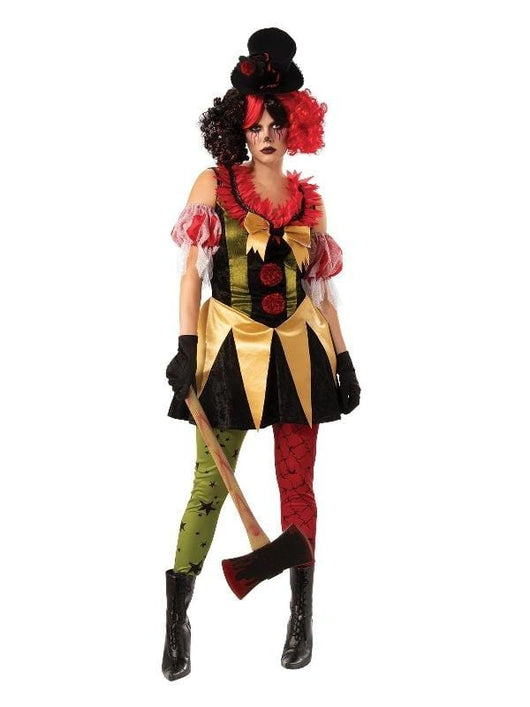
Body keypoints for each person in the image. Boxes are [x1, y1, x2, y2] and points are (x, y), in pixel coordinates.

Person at [162, 27, 361, 680]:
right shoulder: (213, 185)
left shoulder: (310, 203)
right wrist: (185, 347)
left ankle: (302, 615)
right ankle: (177, 616)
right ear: (240, 129)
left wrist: (344, 357)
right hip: (228, 356)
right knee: (209, 484)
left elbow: (322, 291)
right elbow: (191, 274)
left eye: (278, 123)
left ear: (295, 126)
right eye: (256, 125)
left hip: (300, 358)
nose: (268, 134)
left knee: (297, 484)